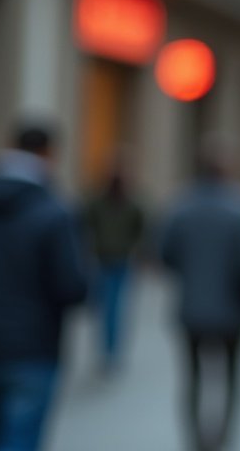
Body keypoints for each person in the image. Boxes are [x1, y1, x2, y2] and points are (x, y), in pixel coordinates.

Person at [0, 121, 87, 451]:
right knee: (19, 440)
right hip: (34, 346)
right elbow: (72, 287)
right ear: (49, 154)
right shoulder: (54, 211)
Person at [159, 145, 240, 451]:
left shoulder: (180, 205)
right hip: (231, 309)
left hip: (192, 307)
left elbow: (165, 253)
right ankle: (224, 436)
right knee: (233, 376)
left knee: (193, 377)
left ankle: (196, 438)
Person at [81, 153, 146, 374]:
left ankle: (111, 351)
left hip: (119, 259)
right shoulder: (99, 201)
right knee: (110, 307)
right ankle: (109, 351)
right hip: (104, 259)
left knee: (113, 307)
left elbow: (142, 227)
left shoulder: (130, 202)